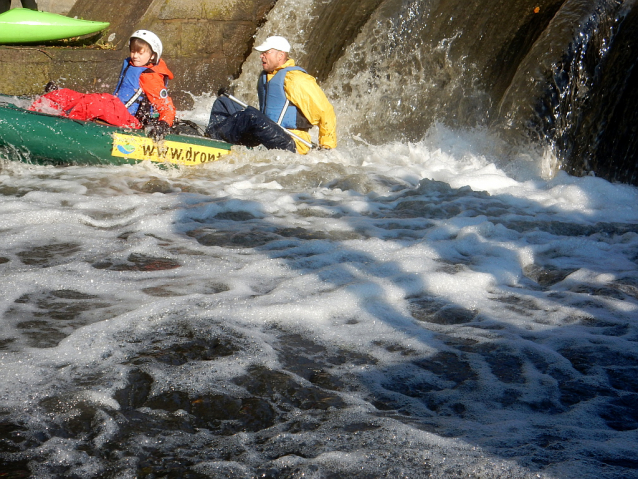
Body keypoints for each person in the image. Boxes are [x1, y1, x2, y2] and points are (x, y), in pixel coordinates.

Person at [30, 30, 176, 140]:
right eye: (133, 51)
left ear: (152, 55)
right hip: (116, 110)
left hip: (131, 121)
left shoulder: (149, 76)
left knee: (99, 101)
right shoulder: (131, 64)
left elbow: (166, 106)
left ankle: (66, 123)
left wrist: (163, 124)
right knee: (75, 95)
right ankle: (50, 103)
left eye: (140, 53)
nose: (135, 56)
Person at [206, 35, 336, 154]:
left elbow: (325, 111)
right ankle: (216, 137)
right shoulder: (266, 76)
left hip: (291, 142)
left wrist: (327, 147)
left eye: (266, 53)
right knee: (223, 102)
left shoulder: (297, 79)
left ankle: (212, 138)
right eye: (262, 53)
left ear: (280, 55)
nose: (261, 56)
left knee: (251, 116)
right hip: (267, 134)